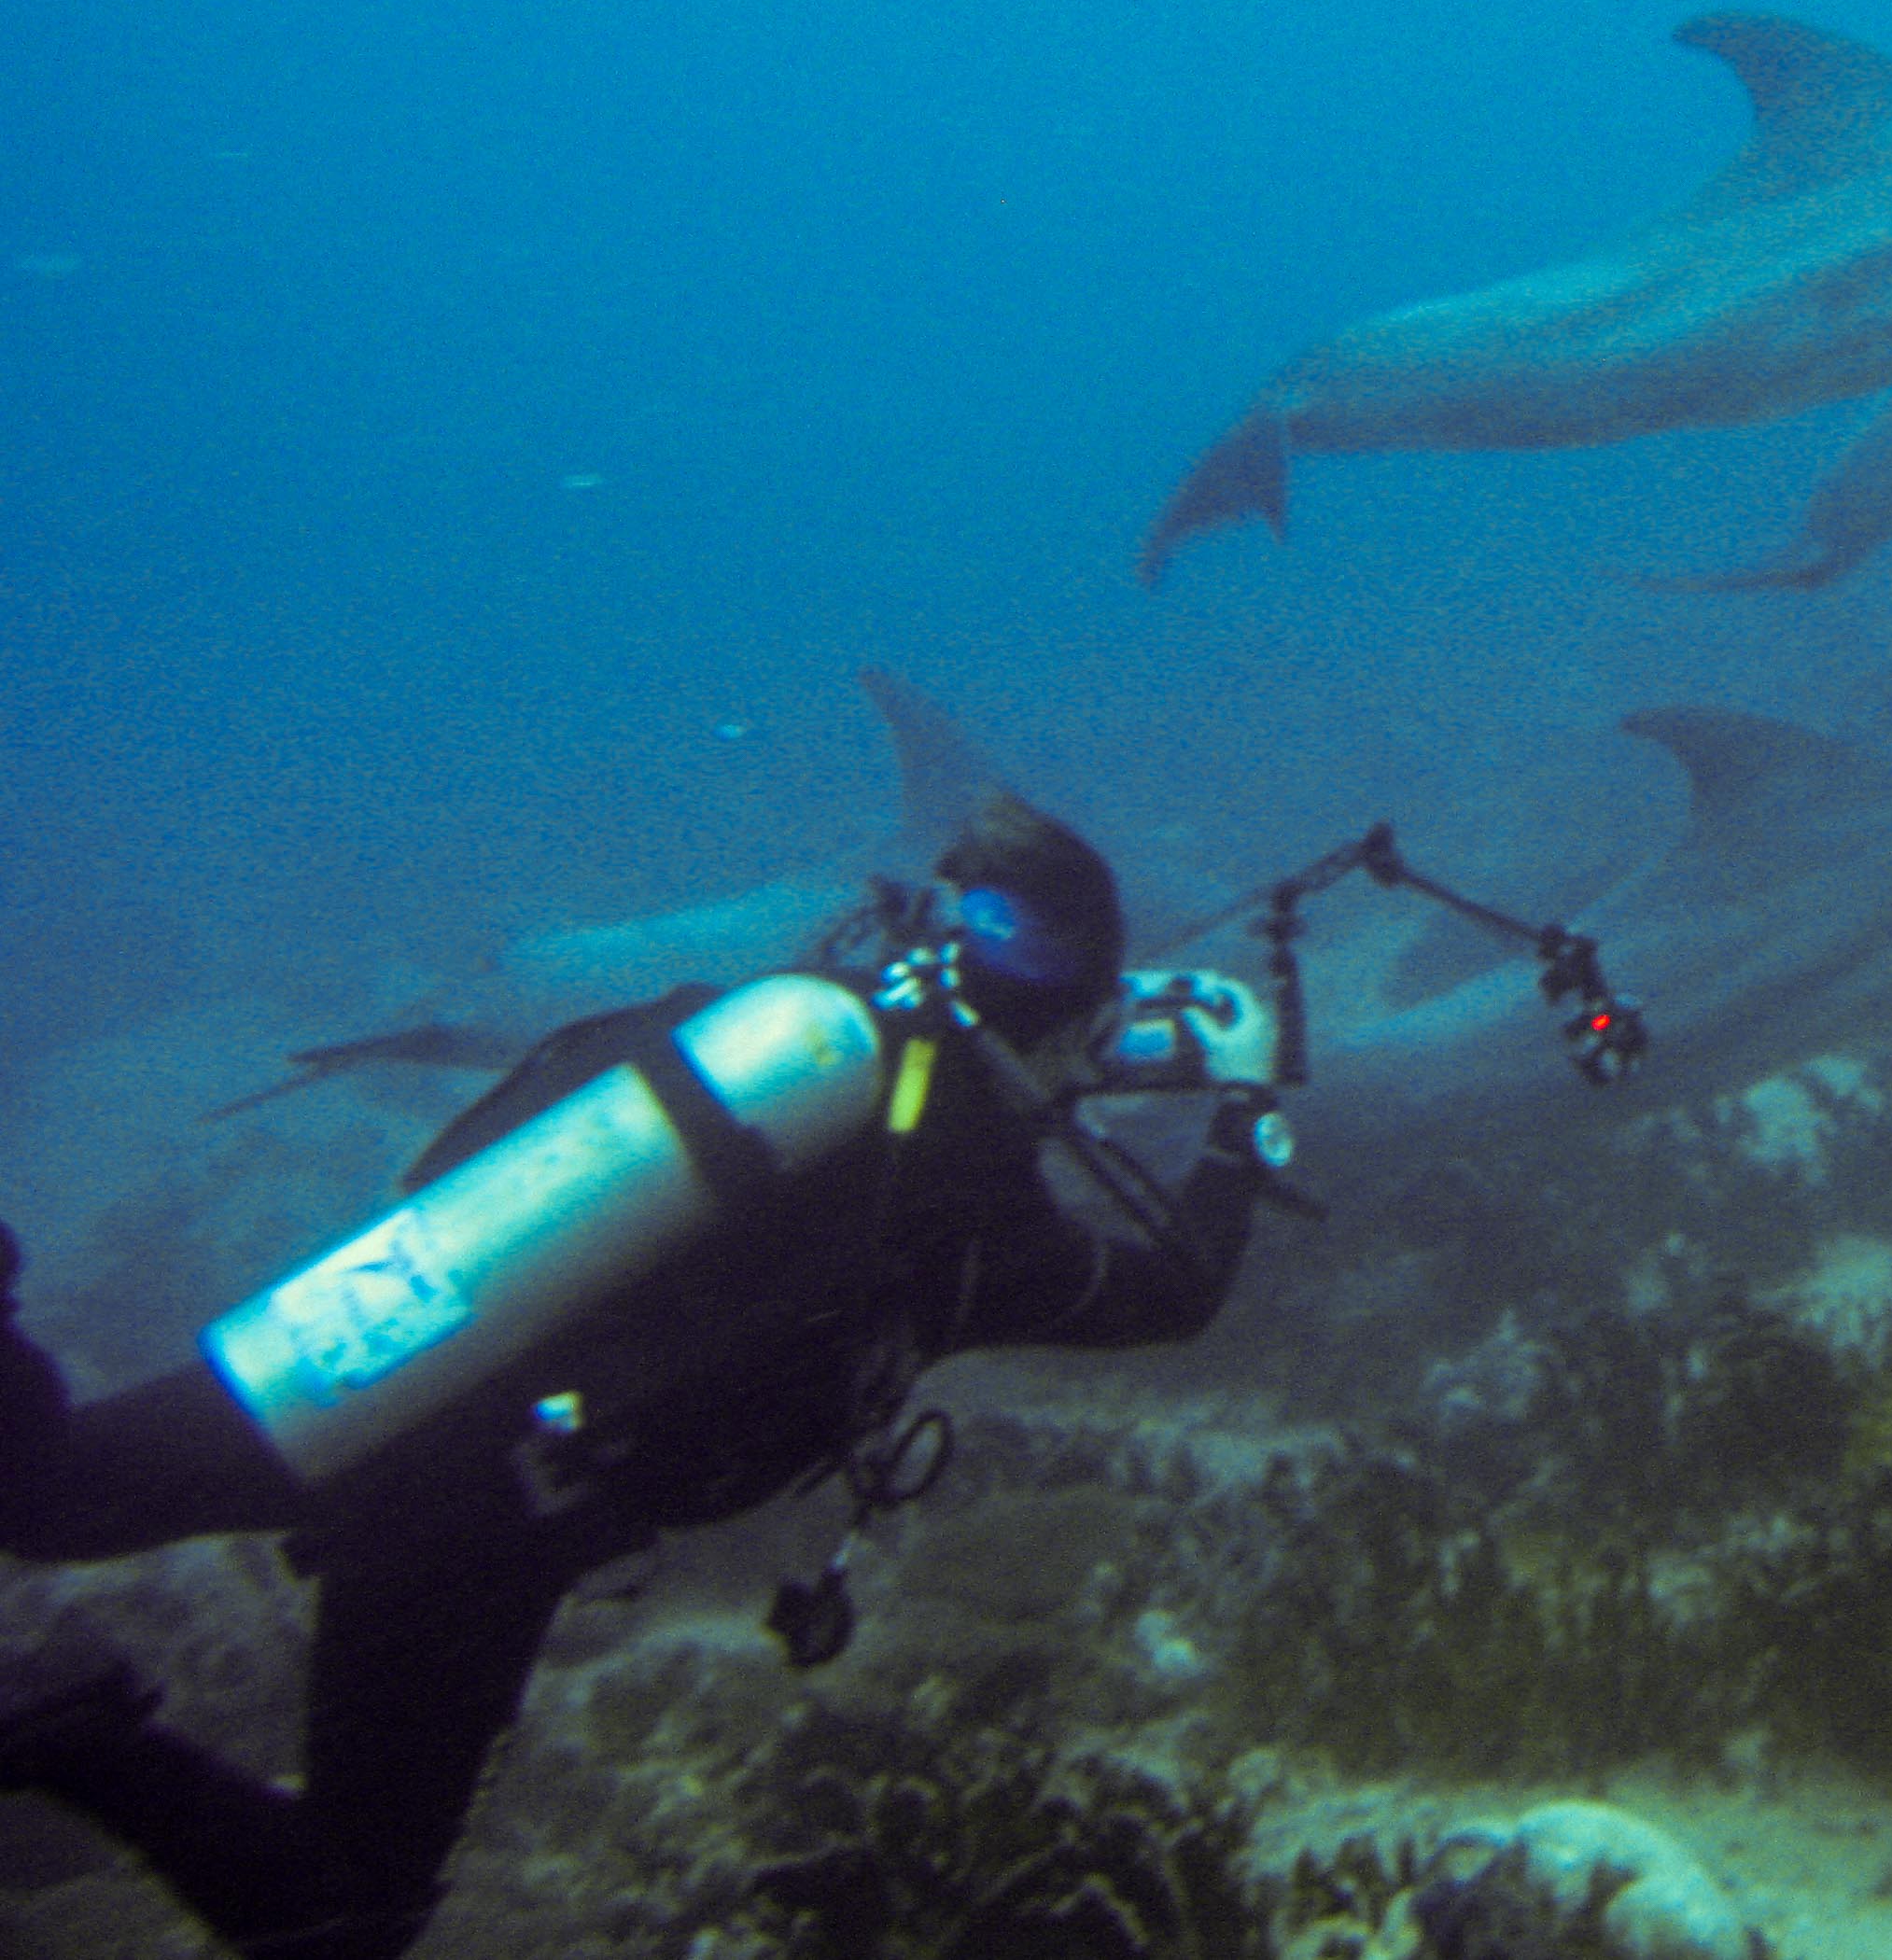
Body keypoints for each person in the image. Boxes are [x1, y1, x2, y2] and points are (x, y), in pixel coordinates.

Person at [0, 791, 1287, 1959]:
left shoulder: (797, 1028)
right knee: (351, 1907)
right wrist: (1239, 1117)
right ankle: (76, 1739)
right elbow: (1170, 1295)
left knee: (47, 1490)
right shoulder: (971, 1221)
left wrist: (1060, 1031)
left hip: (383, 1321)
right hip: (480, 1511)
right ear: (1067, 1023)